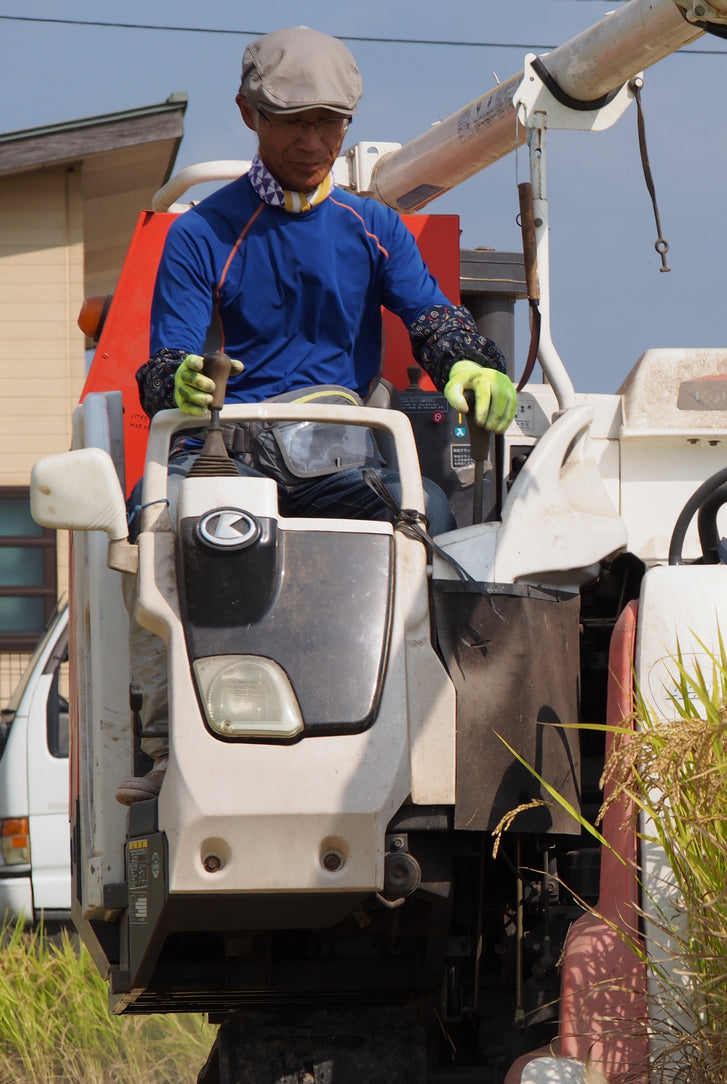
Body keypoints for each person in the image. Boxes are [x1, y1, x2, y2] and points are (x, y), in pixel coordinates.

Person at [116, 25, 516, 804]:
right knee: (153, 524)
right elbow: (163, 368)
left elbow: (433, 320)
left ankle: (426, 737)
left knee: (432, 522)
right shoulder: (202, 232)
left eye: (330, 124)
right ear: (248, 115)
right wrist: (181, 384)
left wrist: (469, 361)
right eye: (295, 122)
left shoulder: (373, 227)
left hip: (342, 451)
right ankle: (168, 737)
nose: (314, 141)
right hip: (232, 450)